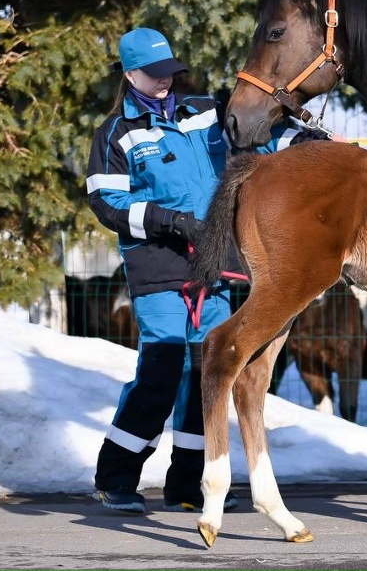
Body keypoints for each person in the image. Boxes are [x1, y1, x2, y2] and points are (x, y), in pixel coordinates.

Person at [85, 27, 328, 513]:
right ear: (129, 74)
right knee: (162, 367)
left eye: (168, 73)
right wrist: (169, 221)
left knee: (210, 369)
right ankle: (115, 477)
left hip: (214, 262)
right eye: (153, 75)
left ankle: (189, 485)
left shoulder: (204, 111)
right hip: (159, 266)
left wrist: (306, 142)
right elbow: (106, 202)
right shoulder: (115, 134)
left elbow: (258, 138)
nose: (164, 82)